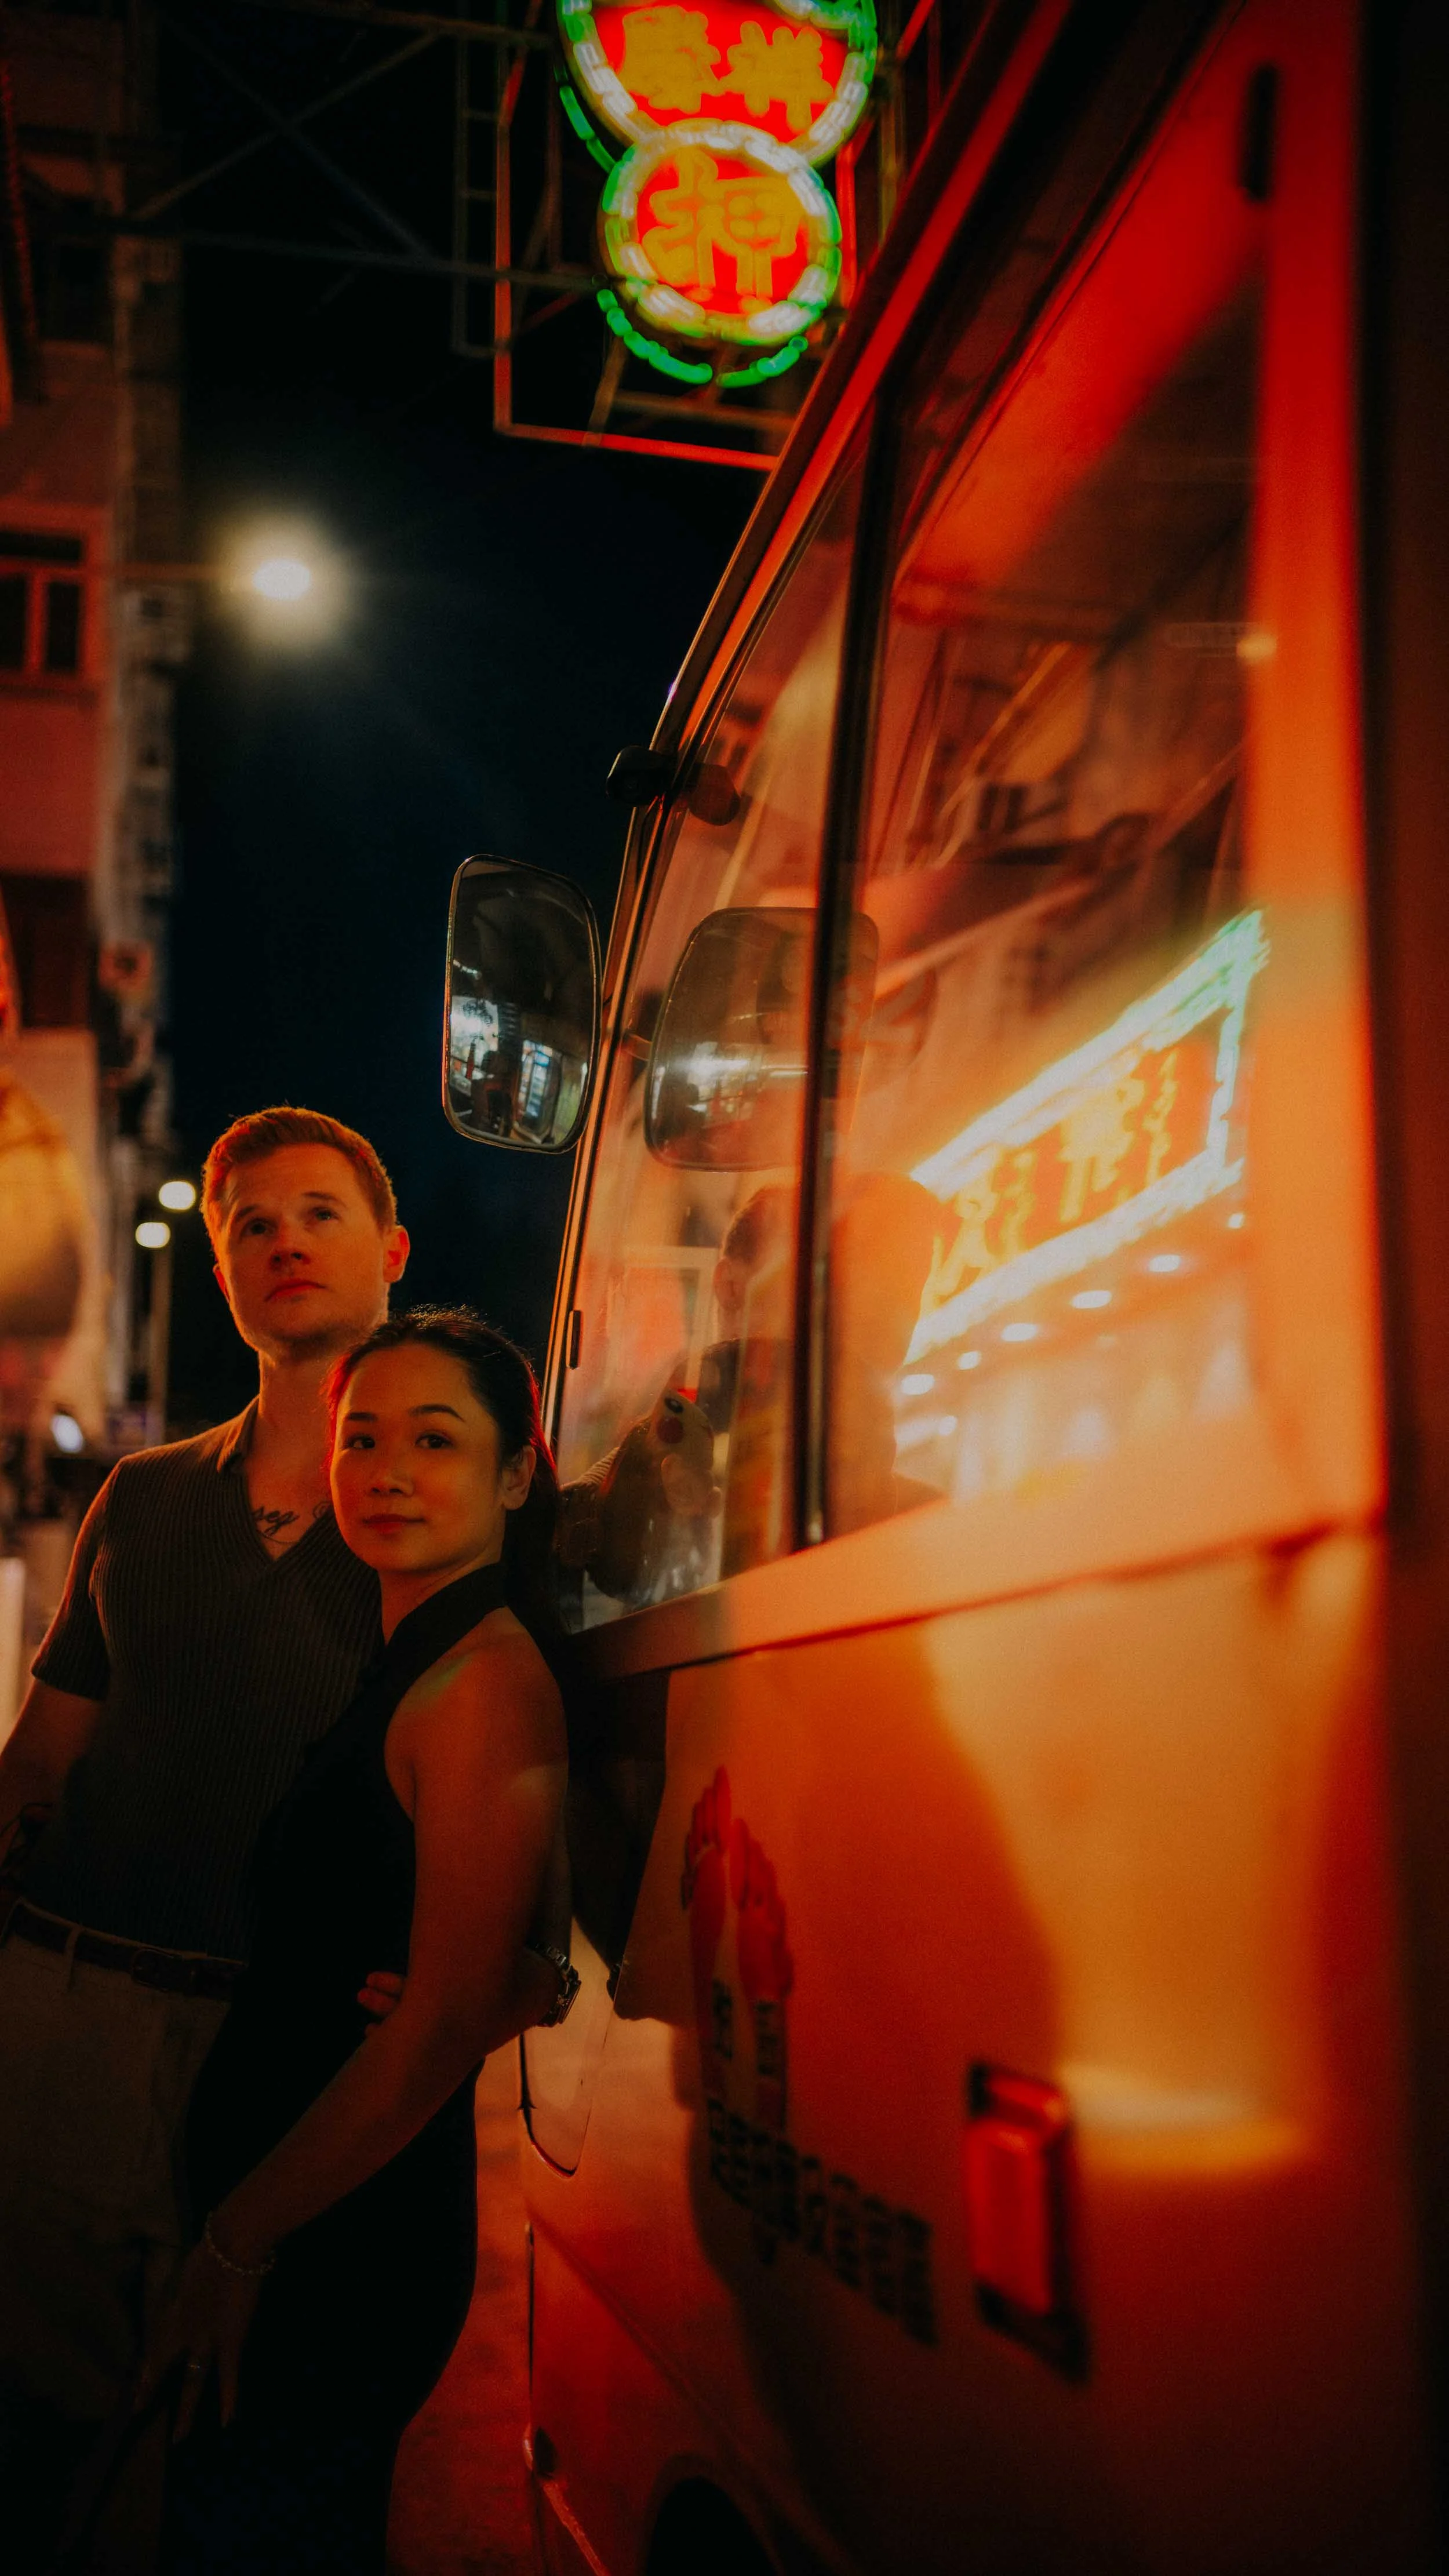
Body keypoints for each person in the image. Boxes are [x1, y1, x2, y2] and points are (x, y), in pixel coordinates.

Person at [0, 1107, 558, 2569]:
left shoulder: (427, 1525)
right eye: (247, 1221)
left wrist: (524, 1961)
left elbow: (544, 1769)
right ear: (225, 1267)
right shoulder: (144, 1492)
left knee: (243, 2471)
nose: (281, 1240)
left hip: (283, 2049)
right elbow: (43, 1756)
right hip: (66, 2013)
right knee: (27, 2456)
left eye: (318, 1211)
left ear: (391, 1250)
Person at [147, 1309, 568, 2573]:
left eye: (433, 1440)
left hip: (338, 2242)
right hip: (302, 2215)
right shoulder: (407, 1655)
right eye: (361, 1436)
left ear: (511, 1474)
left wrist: (236, 2241)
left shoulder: (481, 1681)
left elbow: (440, 2017)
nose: (385, 1469)